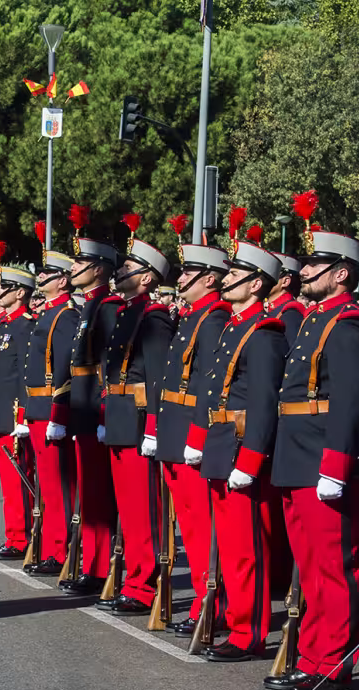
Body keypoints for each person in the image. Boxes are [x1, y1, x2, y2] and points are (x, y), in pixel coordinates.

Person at [263, 227, 359, 690]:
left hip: (321, 461)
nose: (302, 271)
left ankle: (333, 663)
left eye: (313, 265)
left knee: (333, 566)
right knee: (310, 567)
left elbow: (350, 401)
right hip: (297, 454)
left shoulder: (348, 324)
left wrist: (335, 465)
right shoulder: (316, 319)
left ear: (341, 274)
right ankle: (311, 655)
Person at [186, 240, 286, 661]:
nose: (225, 279)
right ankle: (232, 617)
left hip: (242, 447)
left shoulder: (263, 333)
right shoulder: (235, 325)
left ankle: (250, 632)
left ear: (256, 283)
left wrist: (250, 460)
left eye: (234, 275)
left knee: (247, 548)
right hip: (222, 442)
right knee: (228, 545)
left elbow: (263, 402)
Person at [152, 241, 230, 632]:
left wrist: (196, 437)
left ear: (209, 278)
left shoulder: (214, 318)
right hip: (175, 429)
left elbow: (208, 386)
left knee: (201, 528)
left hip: (190, 434)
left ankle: (211, 600)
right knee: (190, 524)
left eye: (188, 273)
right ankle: (205, 597)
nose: (180, 278)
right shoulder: (194, 315)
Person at [95, 236, 175, 616]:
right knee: (129, 510)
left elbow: (158, 378)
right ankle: (134, 580)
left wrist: (154, 429)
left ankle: (145, 586)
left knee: (144, 512)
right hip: (120, 416)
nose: (120, 272)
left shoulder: (153, 318)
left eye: (128, 269)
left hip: (140, 419)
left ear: (147, 279)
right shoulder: (126, 312)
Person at [56, 215, 123, 597]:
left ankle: (100, 568)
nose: (74, 268)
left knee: (99, 495)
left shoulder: (107, 307)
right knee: (89, 493)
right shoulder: (89, 306)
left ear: (98, 269)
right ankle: (92, 564)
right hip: (83, 410)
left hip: (96, 411)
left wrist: (101, 412)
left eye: (80, 263)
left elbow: (110, 368)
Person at [21, 248, 80, 575]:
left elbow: (64, 370)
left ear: (64, 281)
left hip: (51, 410)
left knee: (59, 488)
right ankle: (54, 547)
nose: (40, 277)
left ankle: (63, 551)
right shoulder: (49, 312)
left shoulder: (66, 316)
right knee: (48, 487)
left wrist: (58, 416)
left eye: (47, 273)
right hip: (38, 407)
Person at [0, 266, 38, 559]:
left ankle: (21, 538)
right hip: (3, 413)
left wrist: (23, 417)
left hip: (15, 415)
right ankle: (14, 534)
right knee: (8, 479)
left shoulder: (25, 326)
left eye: (4, 288)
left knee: (18, 479)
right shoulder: (6, 324)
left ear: (19, 293)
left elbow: (26, 376)